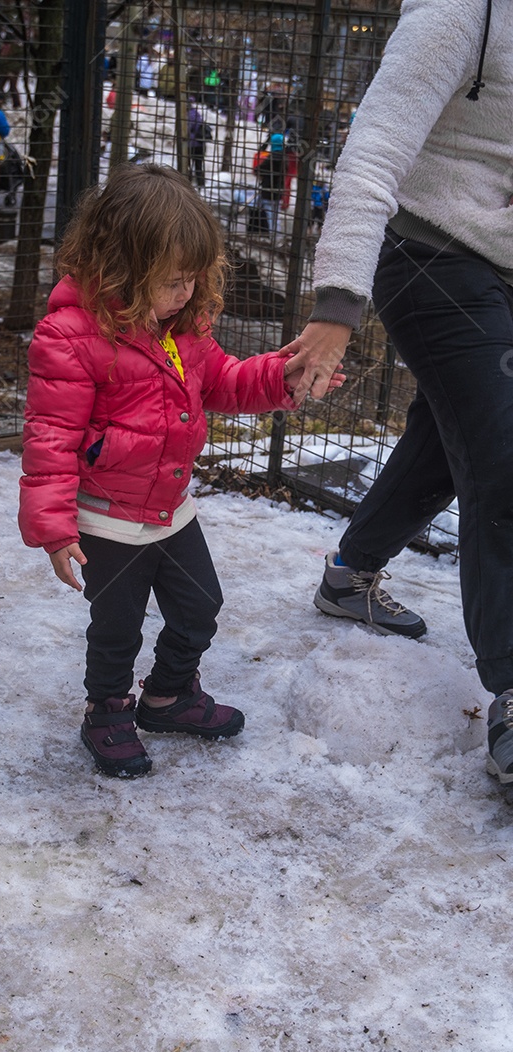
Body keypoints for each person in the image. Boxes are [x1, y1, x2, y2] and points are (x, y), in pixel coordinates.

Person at [17, 163, 345, 779]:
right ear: (122, 269)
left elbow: (222, 380)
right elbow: (50, 438)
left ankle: (168, 697)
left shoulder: (182, 328)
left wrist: (281, 377)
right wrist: (54, 528)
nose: (187, 293)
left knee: (201, 606)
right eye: (173, 281)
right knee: (116, 626)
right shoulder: (69, 337)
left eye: (194, 279)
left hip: (171, 507)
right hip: (107, 518)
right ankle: (107, 711)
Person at [279, 0, 513, 786]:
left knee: (452, 441)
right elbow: (372, 153)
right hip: (430, 253)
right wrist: (338, 305)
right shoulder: (456, 17)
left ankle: (350, 577)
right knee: (503, 452)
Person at [252, 131, 286, 238]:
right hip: (279, 190)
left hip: (268, 191)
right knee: (275, 216)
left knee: (270, 216)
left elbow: (258, 169)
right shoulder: (285, 157)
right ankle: (276, 236)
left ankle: (274, 237)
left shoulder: (273, 158)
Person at [187, 100, 207, 190]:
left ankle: (187, 185)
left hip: (191, 144)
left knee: (187, 166)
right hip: (200, 144)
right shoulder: (197, 113)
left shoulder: (188, 115)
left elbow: (188, 128)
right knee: (198, 166)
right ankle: (200, 186)